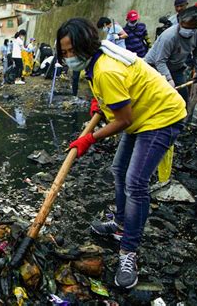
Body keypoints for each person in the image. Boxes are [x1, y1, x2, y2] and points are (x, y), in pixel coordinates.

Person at [57, 18, 186, 289]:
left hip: (160, 117)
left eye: (72, 51)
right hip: (142, 112)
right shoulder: (99, 57)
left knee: (135, 182)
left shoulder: (105, 70)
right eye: (64, 52)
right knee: (119, 170)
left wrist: (89, 139)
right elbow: (113, 98)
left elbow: (123, 120)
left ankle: (129, 252)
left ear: (85, 45)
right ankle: (119, 224)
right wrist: (99, 103)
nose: (68, 57)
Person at [145, 6, 197, 105]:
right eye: (183, 26)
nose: (185, 29)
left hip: (176, 68)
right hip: (154, 67)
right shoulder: (169, 36)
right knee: (156, 98)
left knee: (182, 99)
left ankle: (181, 119)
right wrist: (168, 79)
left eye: (189, 27)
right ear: (180, 22)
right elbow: (160, 61)